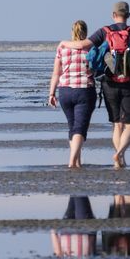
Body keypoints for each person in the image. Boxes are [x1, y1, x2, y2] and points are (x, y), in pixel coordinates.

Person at [60, 1, 130, 169]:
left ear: (113, 15)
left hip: (110, 84)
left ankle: (120, 159)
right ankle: (120, 154)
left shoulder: (104, 32)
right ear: (128, 15)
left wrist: (63, 43)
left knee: (117, 124)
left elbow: (81, 45)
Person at [48, 20, 96, 168]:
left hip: (65, 91)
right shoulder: (92, 48)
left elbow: (56, 73)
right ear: (86, 32)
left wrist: (51, 93)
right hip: (84, 90)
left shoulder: (62, 47)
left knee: (73, 127)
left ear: (72, 32)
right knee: (80, 128)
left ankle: (78, 163)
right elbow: (98, 67)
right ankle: (71, 162)